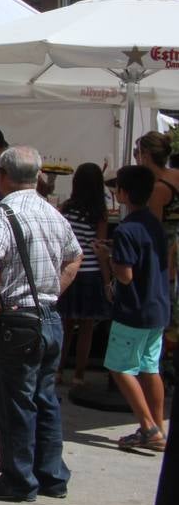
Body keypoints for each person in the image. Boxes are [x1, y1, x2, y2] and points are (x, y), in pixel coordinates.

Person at [0, 145, 81, 502]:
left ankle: (18, 479)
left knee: (15, 401)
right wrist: (51, 293)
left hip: (17, 318)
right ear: (37, 177)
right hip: (48, 317)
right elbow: (75, 256)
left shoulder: (1, 213)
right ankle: (51, 475)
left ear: (3, 176)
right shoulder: (52, 213)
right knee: (45, 397)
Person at [97, 165, 169, 451]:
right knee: (150, 368)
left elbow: (125, 275)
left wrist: (108, 257)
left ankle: (148, 426)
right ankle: (156, 427)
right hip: (157, 307)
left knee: (120, 367)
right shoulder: (153, 223)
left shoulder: (127, 229)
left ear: (124, 193)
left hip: (134, 311)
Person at [56, 162, 110, 388]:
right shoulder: (99, 213)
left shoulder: (66, 208)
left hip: (70, 271)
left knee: (65, 325)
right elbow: (99, 247)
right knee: (87, 327)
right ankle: (79, 374)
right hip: (91, 274)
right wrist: (107, 279)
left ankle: (57, 371)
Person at [133, 131, 179, 286]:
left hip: (168, 254)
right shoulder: (176, 174)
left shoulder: (158, 189)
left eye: (136, 153)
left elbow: (154, 232)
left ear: (146, 155)